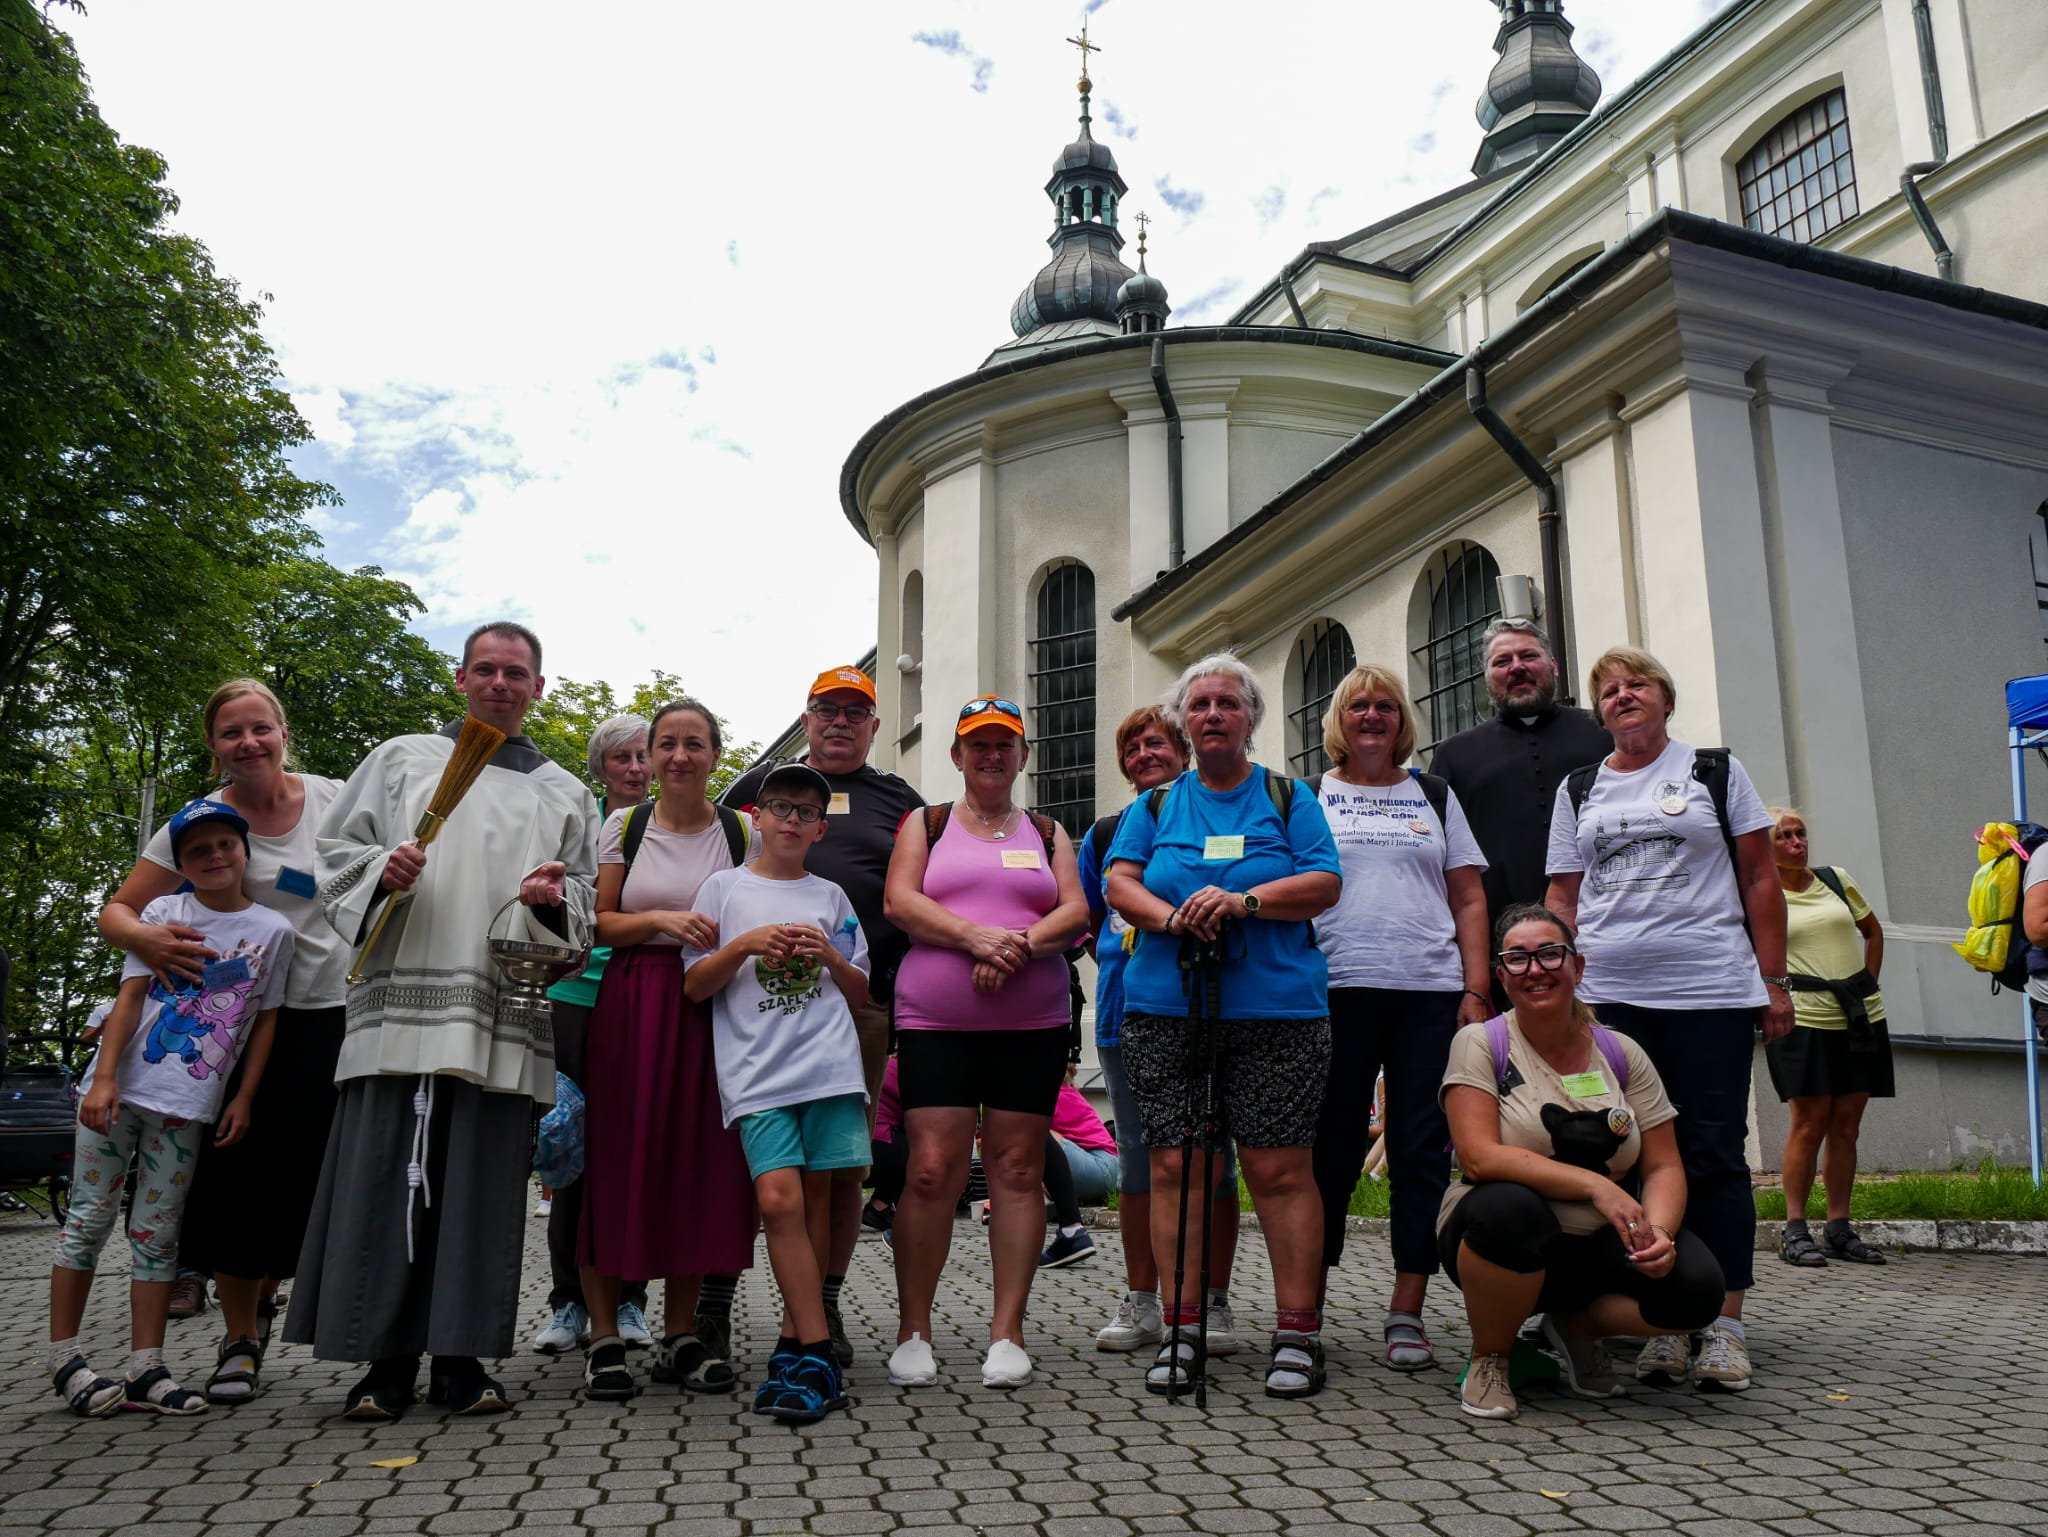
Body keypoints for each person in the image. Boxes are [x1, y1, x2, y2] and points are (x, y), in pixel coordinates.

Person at [286, 621, 600, 1420]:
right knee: (387, 1174)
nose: (500, 683)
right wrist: (378, 870)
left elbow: (588, 905)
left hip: (501, 1007)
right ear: (461, 679)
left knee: (483, 1188)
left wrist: (554, 901)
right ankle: (383, 1365)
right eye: (486, 670)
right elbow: (334, 853)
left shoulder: (565, 789)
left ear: (538, 686)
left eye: (516, 673)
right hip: (403, 999)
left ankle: (461, 1360)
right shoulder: (401, 759)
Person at [97, 679, 349, 1400]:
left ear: (282, 731)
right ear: (214, 747)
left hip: (334, 1011)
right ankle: (239, 1340)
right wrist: (148, 935)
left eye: (259, 728)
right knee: (238, 1178)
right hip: (231, 1026)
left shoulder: (334, 798)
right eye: (231, 733)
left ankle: (268, 1302)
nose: (249, 743)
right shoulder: (196, 822)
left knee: (309, 1176)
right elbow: (117, 911)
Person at [1545, 645, 1788, 1394]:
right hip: (1611, 1001)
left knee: (1711, 1153)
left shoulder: (1713, 770)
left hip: (1709, 991)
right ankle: (1664, 1318)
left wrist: (1773, 981)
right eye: (1609, 690)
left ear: (1665, 699)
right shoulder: (1580, 787)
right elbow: (1562, 894)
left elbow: (1758, 875)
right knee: (1624, 1156)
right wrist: (1561, 978)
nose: (1622, 696)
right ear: (1599, 711)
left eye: (1636, 684)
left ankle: (1724, 1325)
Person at [1105, 654, 1343, 1399]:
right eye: (1199, 703)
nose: (1212, 714)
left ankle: (1298, 1332)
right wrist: (1172, 918)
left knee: (1278, 1168)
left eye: (1227, 703)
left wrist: (1244, 902)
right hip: (1166, 1008)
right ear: (1184, 720)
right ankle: (1181, 1329)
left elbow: (1325, 880)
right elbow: (1120, 880)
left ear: (1250, 717)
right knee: (1179, 1167)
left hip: (1276, 1011)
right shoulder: (1154, 807)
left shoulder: (1287, 794)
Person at [50, 800, 292, 1417]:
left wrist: (242, 1096)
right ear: (181, 864)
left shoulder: (274, 931)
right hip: (119, 1092)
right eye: (196, 851)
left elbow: (263, 1023)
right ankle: (65, 1357)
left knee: (157, 1237)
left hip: (189, 1106)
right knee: (88, 1221)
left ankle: (145, 1367)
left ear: (245, 852)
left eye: (224, 846)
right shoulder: (164, 912)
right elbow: (130, 999)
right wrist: (103, 1079)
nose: (213, 857)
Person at [1440, 905, 1725, 1420]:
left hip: (1597, 1240)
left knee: (1697, 1291)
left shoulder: (1621, 1052)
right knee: (1510, 1210)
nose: (1536, 969)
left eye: (1550, 953)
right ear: (1501, 976)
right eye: (1518, 959)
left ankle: (1575, 1326)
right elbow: (1479, 1157)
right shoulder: (1481, 1043)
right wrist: (1598, 1187)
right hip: (1498, 1234)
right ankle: (1492, 1356)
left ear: (1578, 966)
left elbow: (1663, 1166)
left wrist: (1657, 1230)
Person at [717, 664, 924, 1368]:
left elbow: (923, 886)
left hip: (854, 1008)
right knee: (761, 1166)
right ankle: (718, 1300)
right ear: (805, 719)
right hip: (753, 1007)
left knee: (840, 1170)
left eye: (855, 711)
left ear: (873, 724)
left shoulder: (900, 798)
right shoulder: (757, 786)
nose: (840, 721)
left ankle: (824, 1303)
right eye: (825, 709)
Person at [882, 695, 1090, 1390]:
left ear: (1022, 756)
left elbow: (1075, 910)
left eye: (1005, 744)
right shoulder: (927, 822)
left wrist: (1017, 946)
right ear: (958, 756)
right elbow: (900, 901)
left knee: (1019, 1170)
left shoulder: (1049, 830)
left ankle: (1008, 1331)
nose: (991, 755)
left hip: (1030, 1024)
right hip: (935, 1022)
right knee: (932, 1170)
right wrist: (975, 937)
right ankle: (915, 1328)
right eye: (978, 744)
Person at [1308, 663, 1491, 1373]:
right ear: (1339, 720)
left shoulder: (1434, 794)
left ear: (1401, 719)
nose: (1374, 715)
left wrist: (1475, 989)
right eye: (1359, 705)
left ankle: (1406, 1308)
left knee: (1422, 1151)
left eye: (1386, 705)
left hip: (1429, 993)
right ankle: (1307, 1303)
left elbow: (1469, 896)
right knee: (1329, 1151)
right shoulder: (1310, 795)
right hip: (1335, 990)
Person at [577, 699, 755, 1401]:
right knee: (618, 1157)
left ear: (716, 755)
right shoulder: (628, 824)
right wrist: (659, 918)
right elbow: (601, 923)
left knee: (700, 1162)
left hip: (713, 1005)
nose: (680, 755)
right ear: (649, 757)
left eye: (695, 743)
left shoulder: (741, 830)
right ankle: (604, 1336)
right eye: (667, 744)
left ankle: (680, 1332)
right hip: (636, 999)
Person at [684, 763, 872, 1423]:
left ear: (820, 828)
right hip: (756, 1074)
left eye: (805, 812)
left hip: (826, 1068)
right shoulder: (721, 888)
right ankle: (817, 1350)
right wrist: (741, 946)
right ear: (757, 818)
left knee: (815, 1203)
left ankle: (794, 1349)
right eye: (780, 807)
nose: (791, 820)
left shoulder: (832, 898)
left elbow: (862, 991)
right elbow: (694, 984)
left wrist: (830, 957)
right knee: (777, 1198)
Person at [1078, 706, 1244, 1354]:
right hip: (1129, 1015)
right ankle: (1145, 1299)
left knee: (1215, 1158)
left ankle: (1214, 1301)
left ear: (1184, 752)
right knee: (1141, 1161)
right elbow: (1097, 914)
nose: (1145, 753)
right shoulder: (1109, 831)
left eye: (1157, 742)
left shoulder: (1209, 818)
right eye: (1133, 746)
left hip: (1219, 1010)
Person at [533, 714, 653, 1356]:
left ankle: (631, 1300)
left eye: (643, 756)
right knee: (568, 1154)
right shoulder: (579, 828)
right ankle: (566, 1304)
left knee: (632, 1155)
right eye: (620, 758)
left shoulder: (670, 829)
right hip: (573, 997)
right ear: (600, 768)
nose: (634, 768)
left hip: (642, 999)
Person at [1765, 806, 1893, 1267]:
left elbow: (1872, 933)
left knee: (1847, 1123)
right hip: (1801, 1018)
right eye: (1785, 836)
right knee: (1808, 1120)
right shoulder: (1760, 893)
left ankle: (1839, 1226)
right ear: (1767, 845)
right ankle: (1794, 1230)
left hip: (1859, 1016)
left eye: (1800, 834)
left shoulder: (1835, 879)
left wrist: (1868, 983)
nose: (1798, 843)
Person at [1428, 618, 1611, 938]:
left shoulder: (1603, 734)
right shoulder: (1453, 756)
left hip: (1606, 925)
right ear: (1487, 679)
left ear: (1553, 666)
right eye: (1502, 661)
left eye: (1528, 656)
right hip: (1498, 940)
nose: (1517, 667)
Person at [1039, 1073, 1116, 1269]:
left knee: (1034, 1129)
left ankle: (1045, 1200)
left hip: (1101, 1165)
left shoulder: (1055, 1095)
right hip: (1108, 1168)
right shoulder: (1066, 1092)